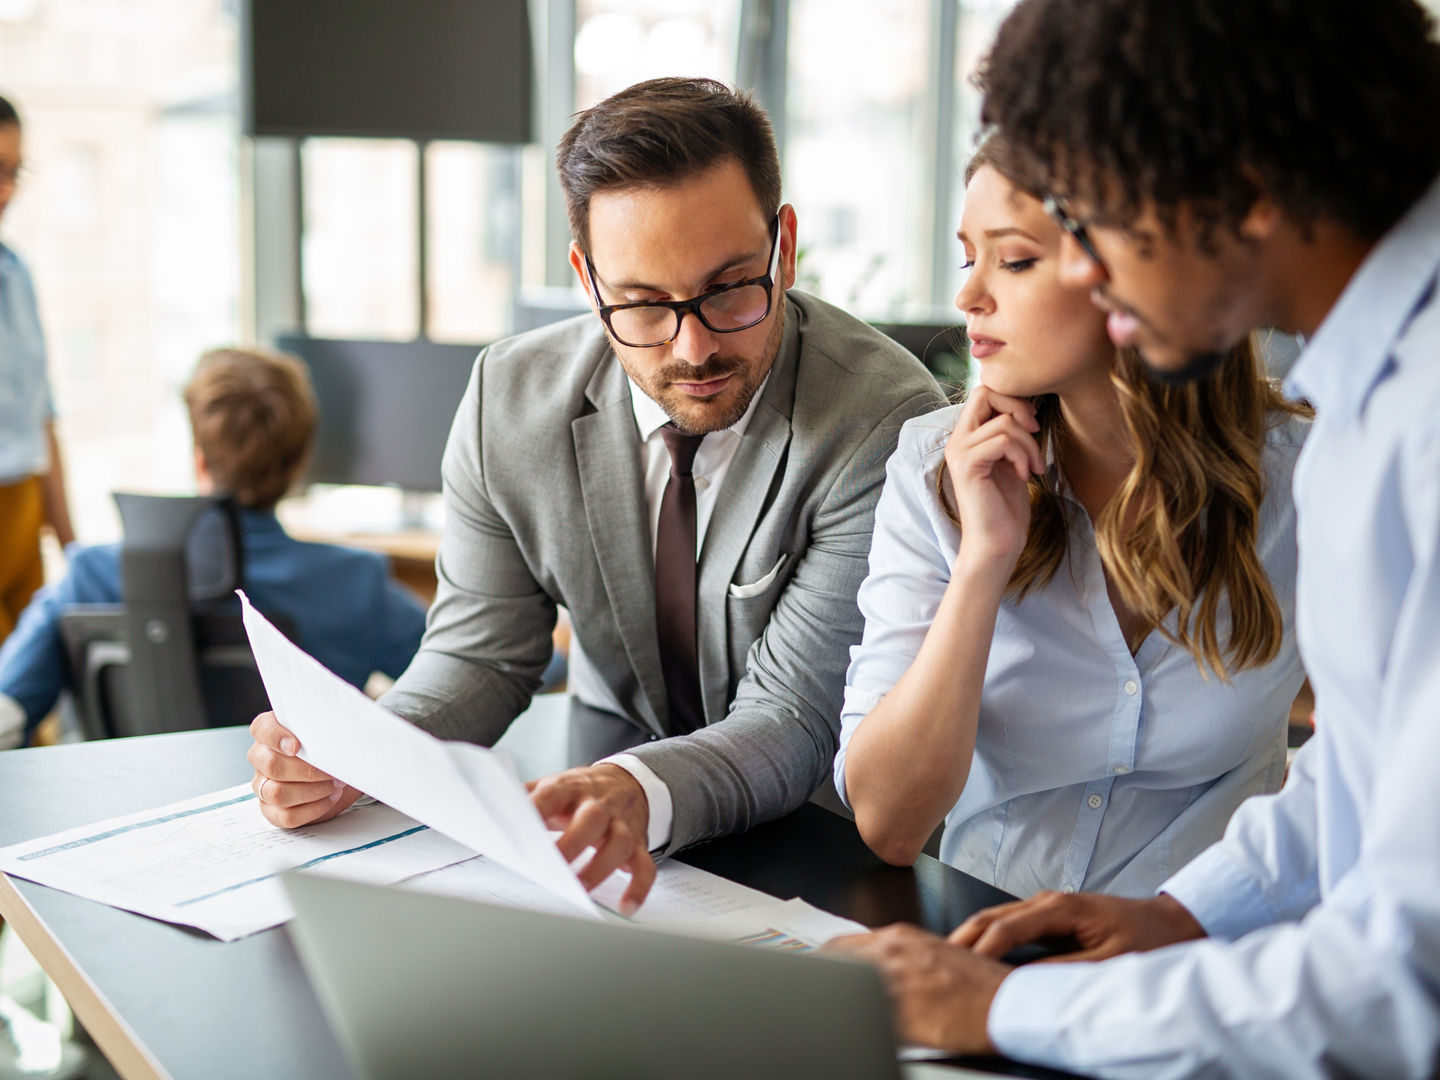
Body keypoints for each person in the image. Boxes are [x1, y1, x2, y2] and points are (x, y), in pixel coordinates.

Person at [826, 0, 1440, 1076]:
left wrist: (1007, 1015)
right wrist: (1184, 914)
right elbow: (1364, 773)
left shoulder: (1413, 428)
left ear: (1236, 187)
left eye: (1093, 215)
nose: (1090, 273)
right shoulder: (1373, 395)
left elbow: (1404, 972)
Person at [247, 77, 944, 912]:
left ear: (784, 245)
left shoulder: (881, 422)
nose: (693, 347)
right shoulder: (509, 397)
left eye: (728, 289)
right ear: (587, 279)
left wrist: (626, 790)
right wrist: (360, 752)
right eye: (645, 304)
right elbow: (478, 655)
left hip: (816, 855)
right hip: (594, 847)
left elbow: (794, 719)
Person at [835, 137, 1309, 899]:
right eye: (969, 259)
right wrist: (983, 562)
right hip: (988, 936)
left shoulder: (1303, 479)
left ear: (1131, 274)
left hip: (1209, 954)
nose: (969, 298)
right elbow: (889, 821)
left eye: (1014, 261)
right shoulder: (936, 466)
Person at [0, 346, 428, 749]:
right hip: (302, 822)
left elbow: (9, 711)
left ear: (199, 460)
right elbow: (463, 682)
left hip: (127, 816)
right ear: (298, 465)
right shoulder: (354, 583)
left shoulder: (91, 575)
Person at [0, 93, 74, 644]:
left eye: (13, 171)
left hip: (23, 514)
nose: (6, 190)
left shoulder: (16, 274)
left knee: (26, 712)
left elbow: (42, 419)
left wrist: (74, 552)